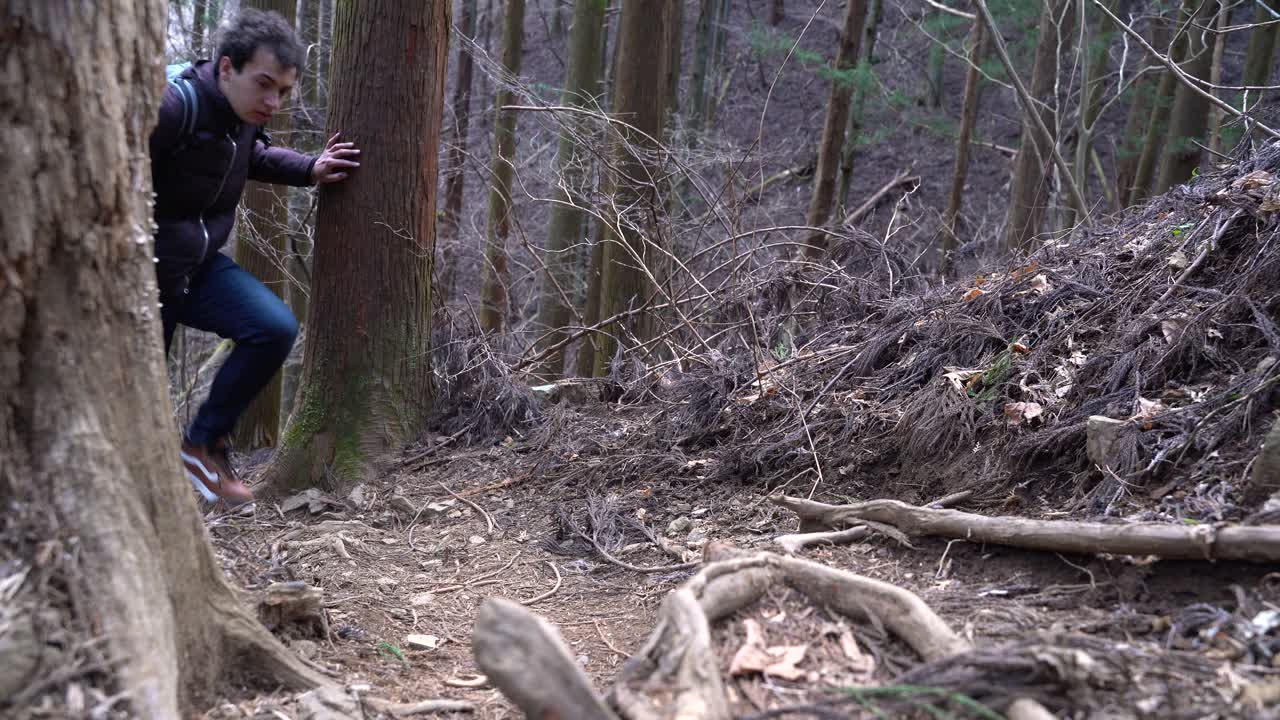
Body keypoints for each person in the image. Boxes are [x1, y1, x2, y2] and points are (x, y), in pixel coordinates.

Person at [150, 9, 359, 506]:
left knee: (273, 327)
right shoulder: (172, 108)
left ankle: (202, 445)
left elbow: (255, 157)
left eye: (283, 92)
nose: (272, 101)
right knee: (134, 403)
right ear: (227, 68)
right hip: (140, 279)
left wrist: (312, 168)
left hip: (195, 269)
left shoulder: (241, 119)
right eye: (264, 84)